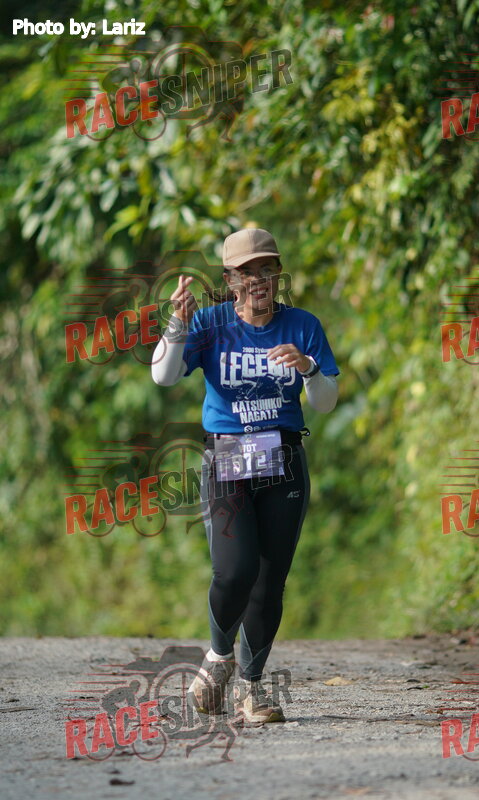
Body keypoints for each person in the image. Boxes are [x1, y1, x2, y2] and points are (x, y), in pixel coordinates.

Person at [151, 228, 340, 723]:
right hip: (228, 459)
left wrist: (309, 369)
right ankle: (218, 658)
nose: (258, 279)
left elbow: (325, 402)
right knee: (234, 571)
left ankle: (251, 689)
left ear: (278, 274)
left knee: (269, 581)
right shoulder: (210, 323)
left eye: (267, 269)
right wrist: (177, 324)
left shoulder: (302, 325)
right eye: (247, 272)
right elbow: (163, 376)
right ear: (230, 279)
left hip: (284, 460)